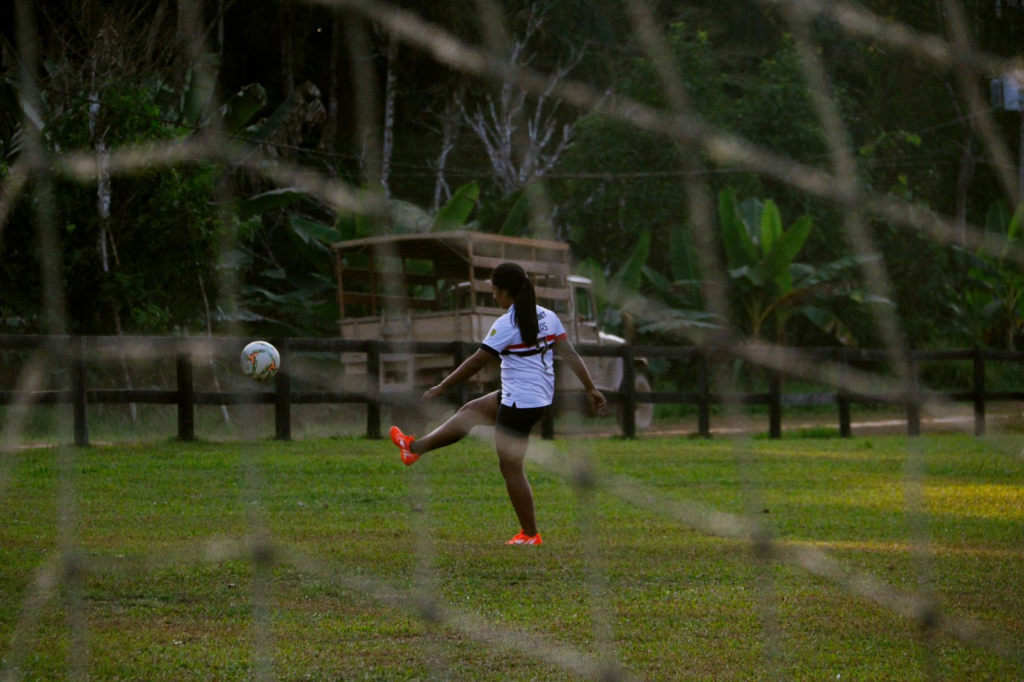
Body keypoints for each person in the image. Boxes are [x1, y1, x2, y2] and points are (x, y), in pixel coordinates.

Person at [388, 262, 607, 546]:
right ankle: (413, 449)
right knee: (471, 412)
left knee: (511, 469)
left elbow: (477, 361)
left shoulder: (506, 325)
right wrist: (591, 388)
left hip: (519, 404)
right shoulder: (548, 317)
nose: (493, 296)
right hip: (535, 399)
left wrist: (442, 386)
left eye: (494, 290)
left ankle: (530, 535)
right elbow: (571, 353)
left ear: (505, 291)